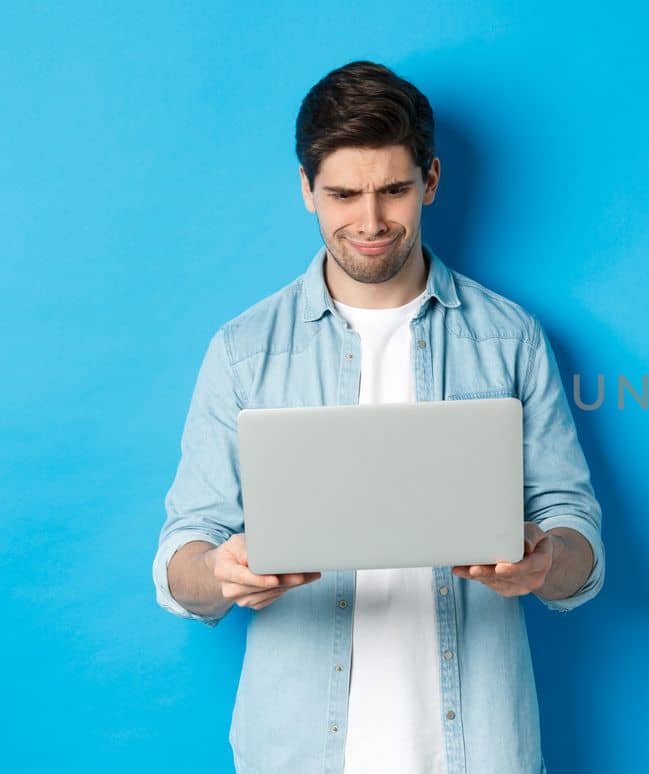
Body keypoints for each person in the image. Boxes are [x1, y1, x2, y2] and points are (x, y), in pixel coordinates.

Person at [152, 60, 605, 773]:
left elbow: (575, 533)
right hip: (296, 750)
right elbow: (182, 561)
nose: (369, 222)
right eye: (342, 194)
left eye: (393, 190)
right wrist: (219, 570)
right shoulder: (244, 352)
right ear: (307, 190)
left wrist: (546, 562)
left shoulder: (510, 337)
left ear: (430, 180)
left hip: (479, 748)